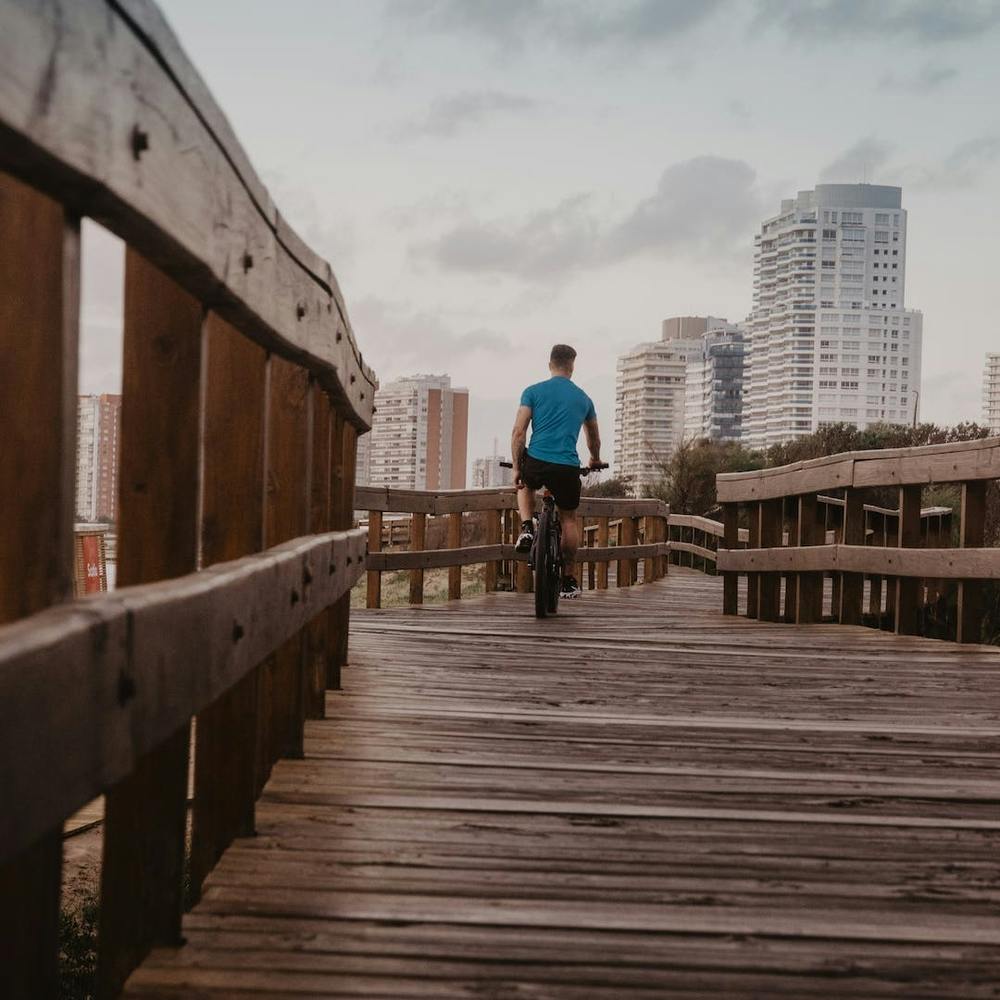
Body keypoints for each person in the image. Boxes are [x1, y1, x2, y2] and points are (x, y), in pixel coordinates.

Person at [511, 344, 603, 598]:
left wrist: (517, 467)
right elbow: (593, 437)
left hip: (537, 461)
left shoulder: (532, 392)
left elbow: (519, 433)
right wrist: (595, 459)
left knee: (525, 485)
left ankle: (527, 528)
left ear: (550, 364)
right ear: (571, 366)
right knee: (569, 519)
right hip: (566, 466)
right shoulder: (584, 399)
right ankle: (569, 580)